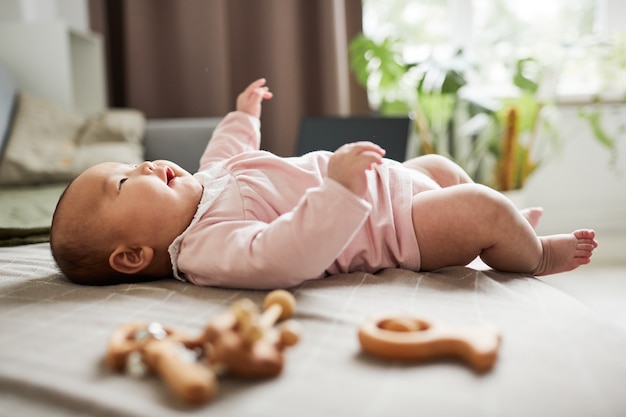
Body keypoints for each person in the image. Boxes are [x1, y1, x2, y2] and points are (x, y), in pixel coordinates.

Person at [50, 78, 598, 289]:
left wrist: (242, 116)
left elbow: (227, 151)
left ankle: (505, 235)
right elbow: (280, 257)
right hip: (395, 229)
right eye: (122, 183)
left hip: (390, 186)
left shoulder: (201, 183)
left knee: (441, 167)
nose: (142, 167)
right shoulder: (204, 247)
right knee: (480, 207)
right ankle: (533, 255)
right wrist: (337, 192)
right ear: (130, 256)